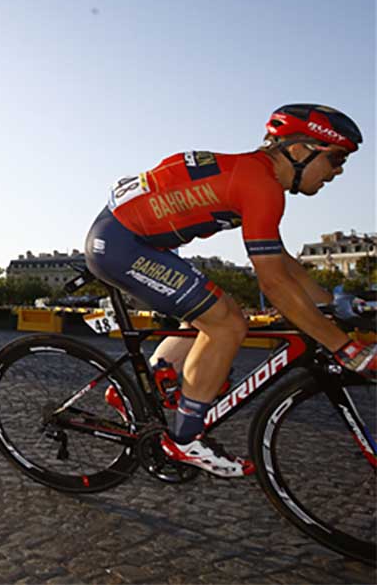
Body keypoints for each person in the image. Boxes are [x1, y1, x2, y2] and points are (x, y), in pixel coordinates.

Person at [84, 104, 372, 478]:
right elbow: (273, 284)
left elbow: (281, 261)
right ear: (299, 150)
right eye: (336, 159)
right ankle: (185, 440)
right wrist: (343, 347)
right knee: (227, 323)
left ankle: (143, 386)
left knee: (214, 310)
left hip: (132, 238)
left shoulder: (256, 175)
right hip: (122, 244)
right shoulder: (260, 186)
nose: (338, 172)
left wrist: (330, 302)